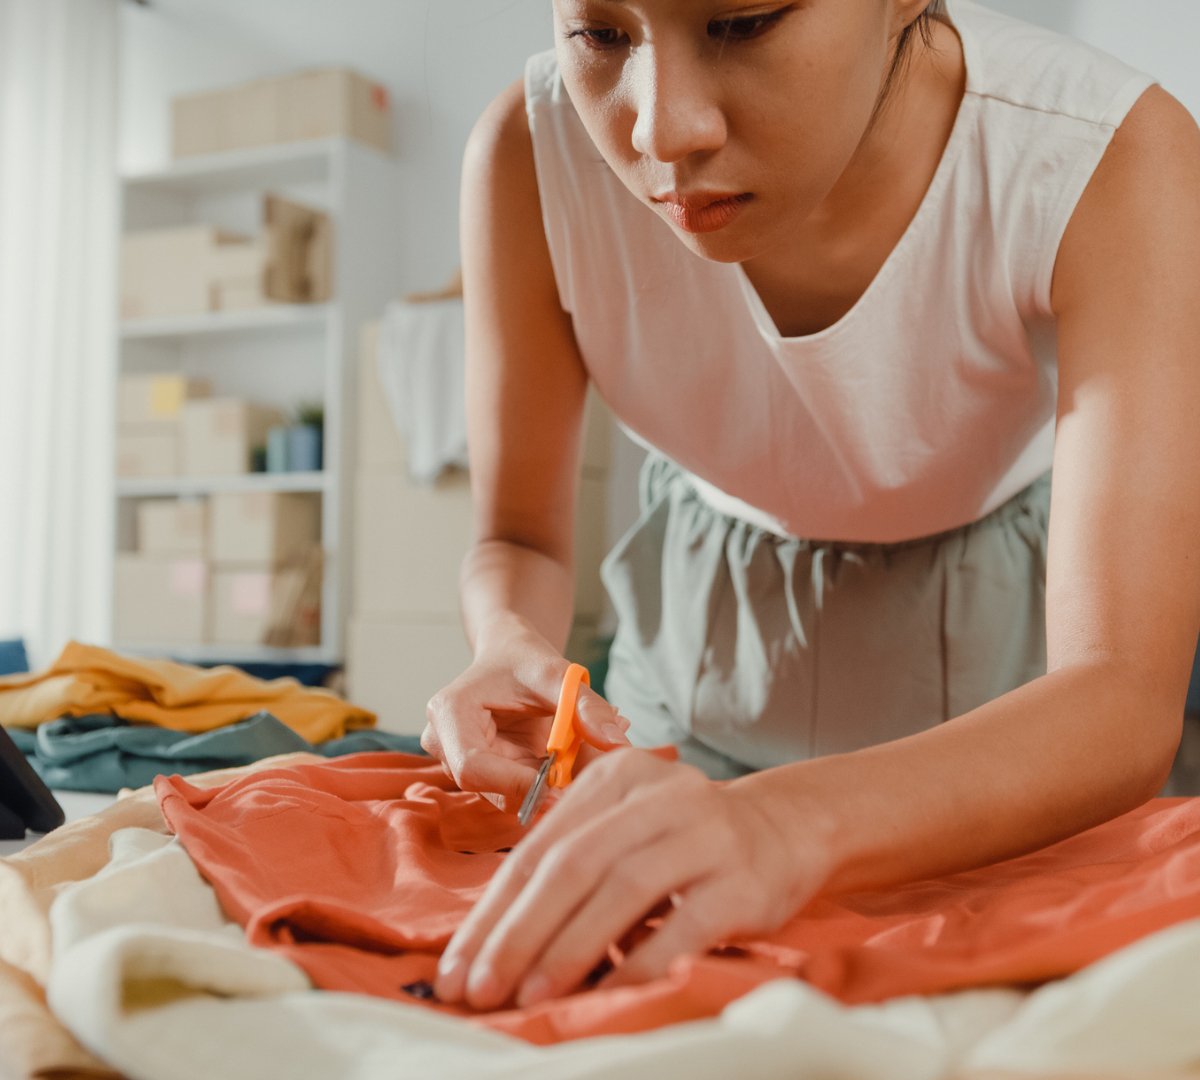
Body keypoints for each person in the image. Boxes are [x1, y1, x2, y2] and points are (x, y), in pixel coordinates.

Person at [422, 0, 1200, 1013]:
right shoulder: (529, 155)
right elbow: (516, 535)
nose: (663, 130)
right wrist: (504, 643)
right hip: (698, 639)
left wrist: (781, 826)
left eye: (742, 23)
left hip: (1010, 693)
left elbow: (1120, 695)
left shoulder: (1105, 154)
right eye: (603, 37)